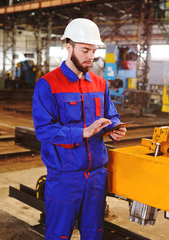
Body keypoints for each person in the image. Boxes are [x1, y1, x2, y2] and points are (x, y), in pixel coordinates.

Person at [32, 18, 126, 240]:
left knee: (93, 233)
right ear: (69, 47)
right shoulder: (47, 84)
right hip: (64, 176)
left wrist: (113, 127)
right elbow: (44, 130)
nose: (90, 56)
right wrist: (82, 132)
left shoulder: (100, 84)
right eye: (85, 50)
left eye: (93, 51)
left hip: (96, 174)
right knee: (59, 234)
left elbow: (111, 114)